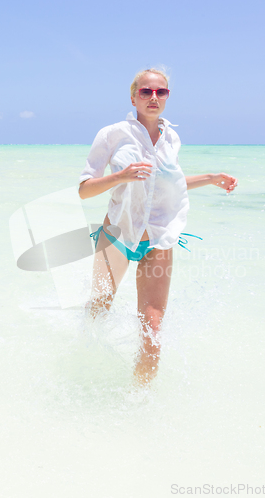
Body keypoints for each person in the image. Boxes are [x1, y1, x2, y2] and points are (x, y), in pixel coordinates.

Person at [78, 68, 237, 387]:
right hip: (118, 235)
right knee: (99, 305)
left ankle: (138, 402)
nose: (154, 98)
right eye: (146, 92)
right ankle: (81, 365)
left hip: (159, 240)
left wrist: (209, 178)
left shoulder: (172, 137)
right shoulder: (112, 134)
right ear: (133, 96)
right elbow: (84, 188)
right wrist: (120, 177)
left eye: (161, 92)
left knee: (152, 328)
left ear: (167, 97)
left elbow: (169, 184)